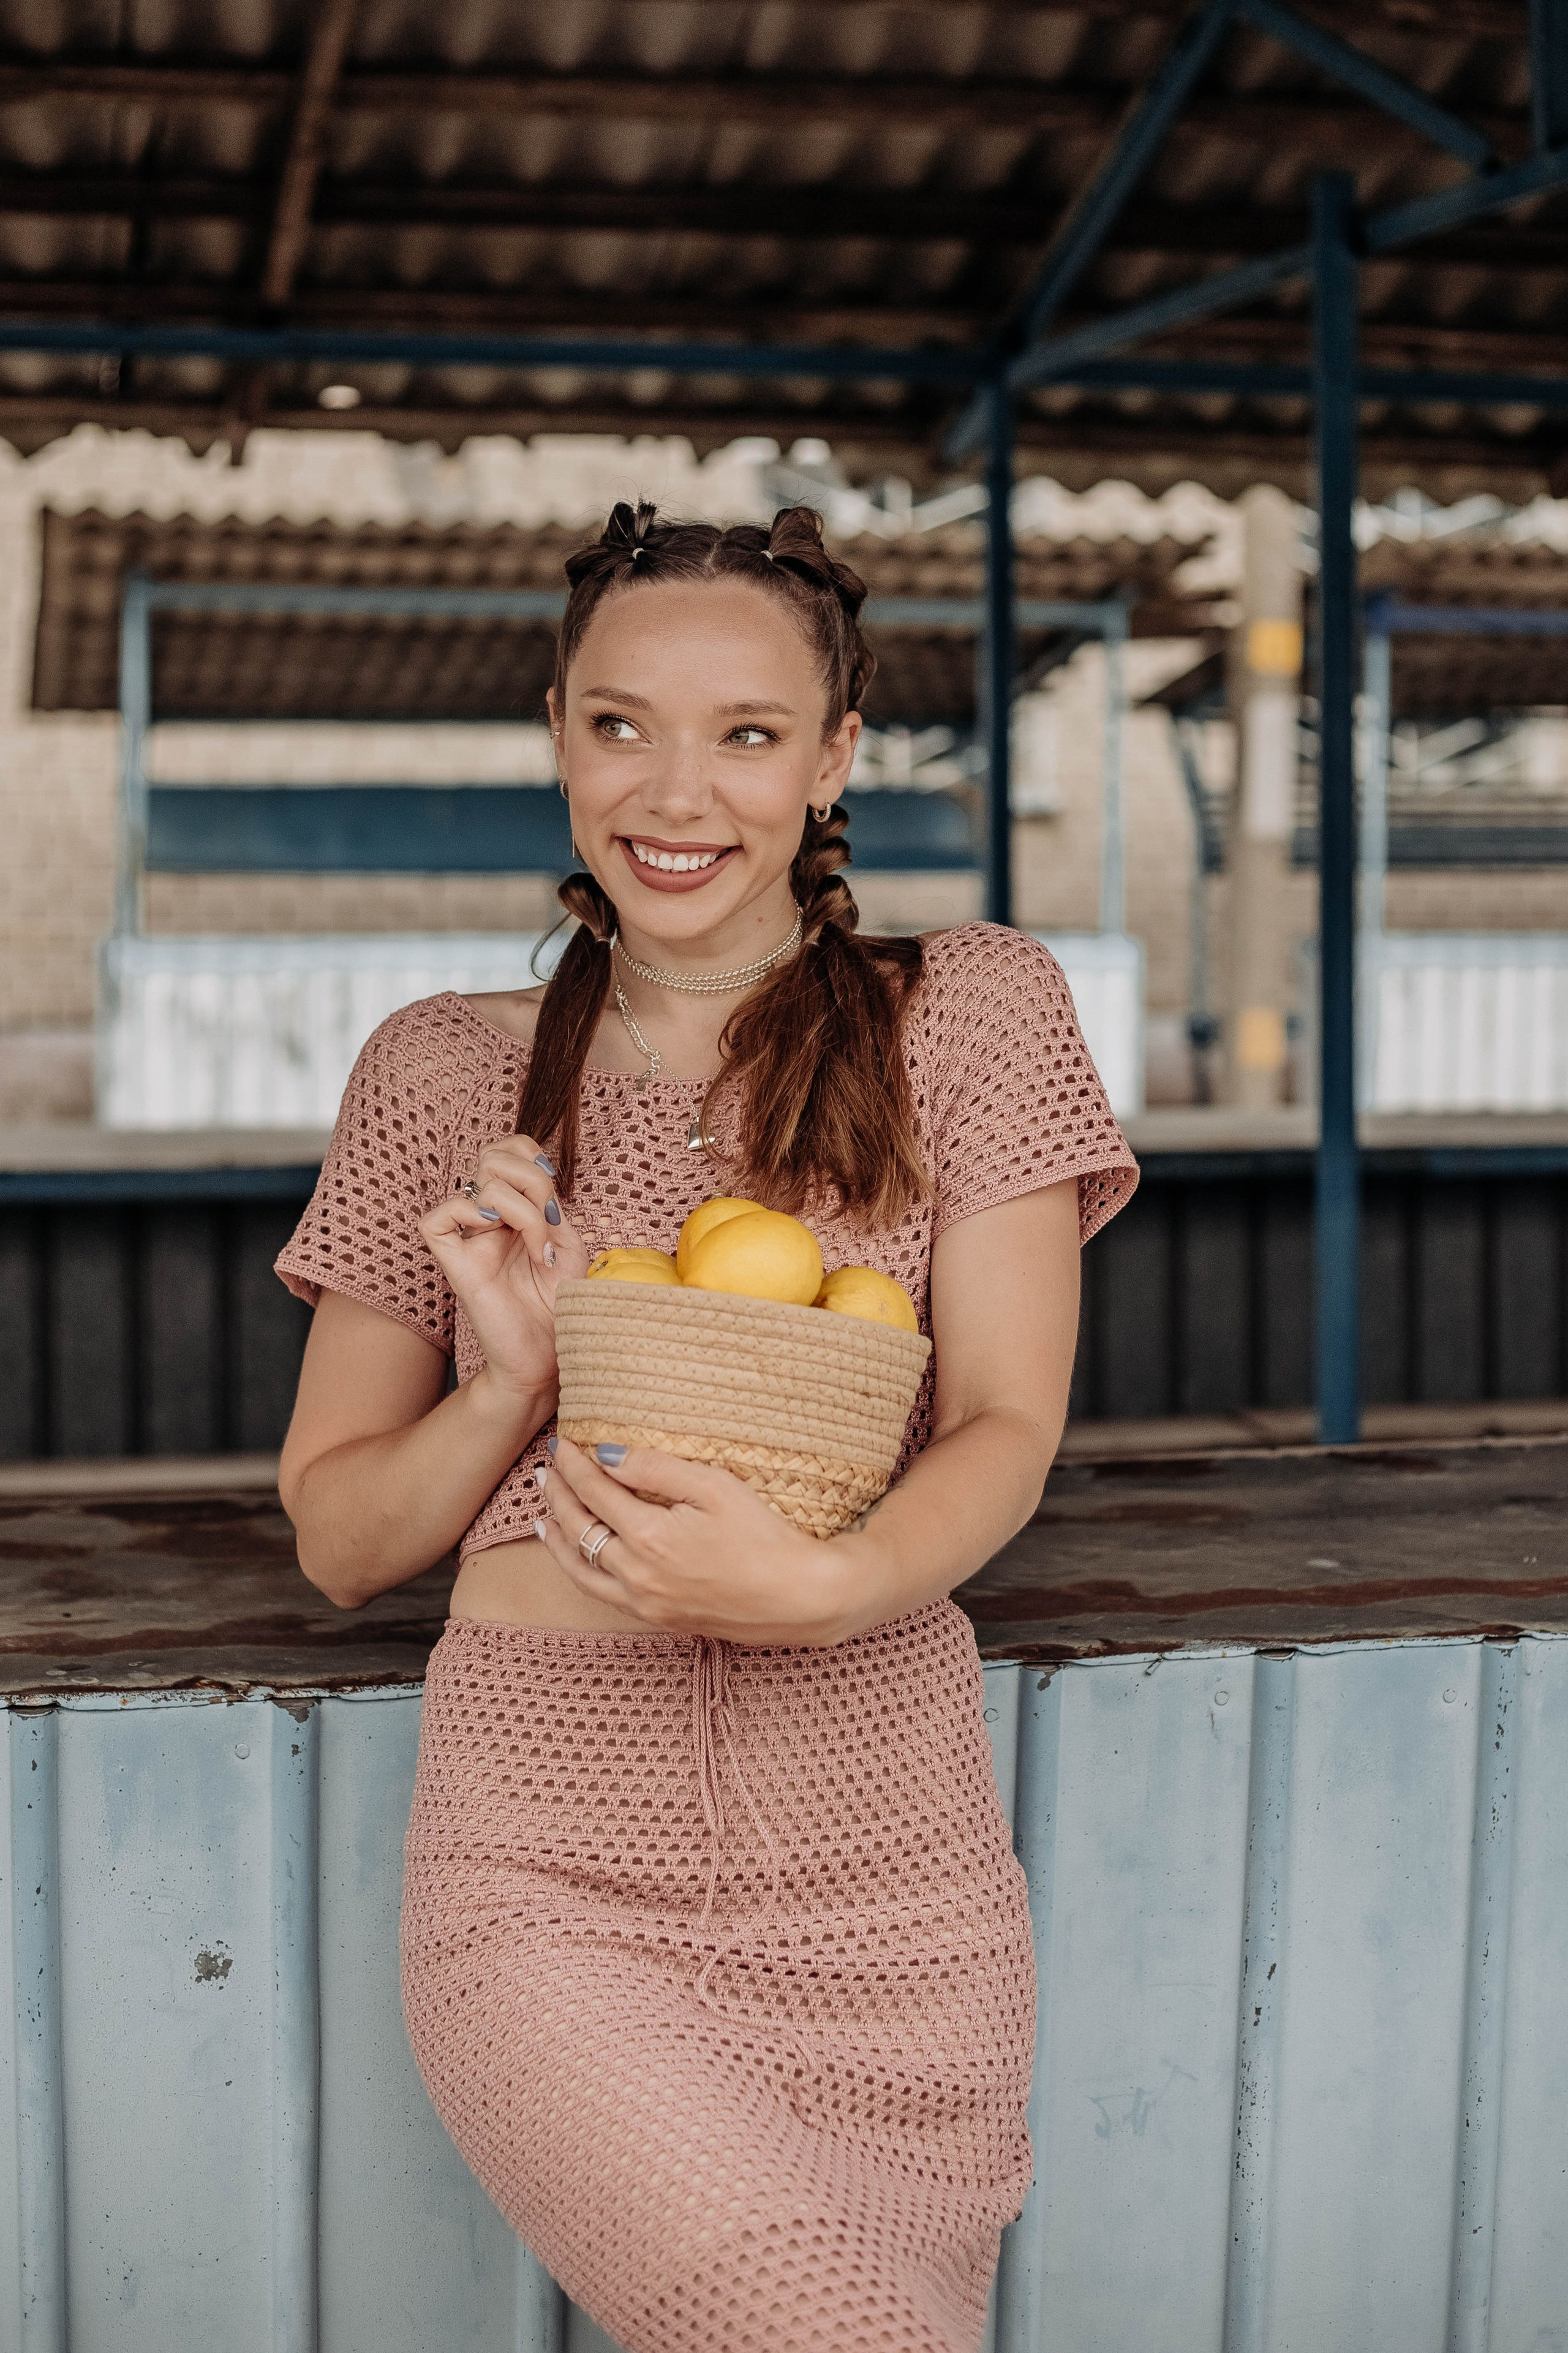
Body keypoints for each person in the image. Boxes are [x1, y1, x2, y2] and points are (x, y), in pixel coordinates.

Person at [276, 500, 1137, 2353]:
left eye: (749, 733)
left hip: (895, 1877)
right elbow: (340, 1538)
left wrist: (828, 1588)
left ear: (834, 757)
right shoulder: (440, 1068)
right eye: (620, 724)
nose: (677, 793)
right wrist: (512, 1379)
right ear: (558, 732)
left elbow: (1006, 1422)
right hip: (548, 1886)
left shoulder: (974, 1013)